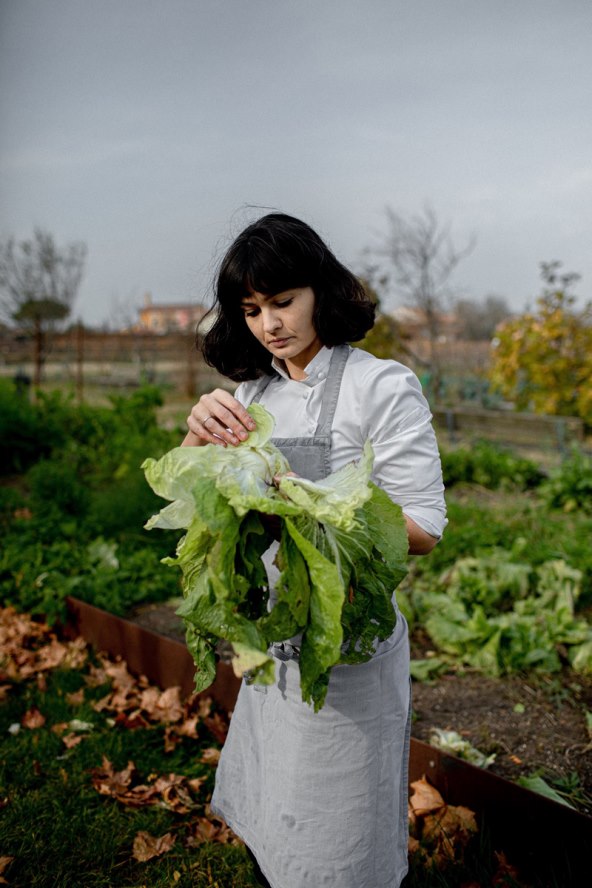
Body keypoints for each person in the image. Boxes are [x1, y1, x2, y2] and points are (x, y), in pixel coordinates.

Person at [182, 213, 447, 888]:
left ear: (320, 291)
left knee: (342, 832)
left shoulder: (381, 386)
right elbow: (199, 507)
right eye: (251, 310)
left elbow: (423, 527)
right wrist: (196, 442)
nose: (270, 324)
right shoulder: (255, 393)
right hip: (275, 640)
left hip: (347, 644)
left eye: (283, 301)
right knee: (280, 816)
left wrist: (305, 501)